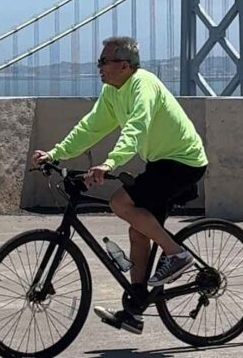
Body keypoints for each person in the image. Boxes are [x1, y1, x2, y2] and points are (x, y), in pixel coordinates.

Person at [31, 36, 208, 334]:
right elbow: (90, 128)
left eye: (103, 61)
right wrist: (55, 153)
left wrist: (109, 164)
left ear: (124, 65)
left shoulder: (143, 85)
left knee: (119, 202)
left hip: (183, 161)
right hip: (159, 162)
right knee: (138, 232)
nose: (98, 66)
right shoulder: (112, 91)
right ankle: (134, 311)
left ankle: (178, 254)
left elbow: (136, 129)